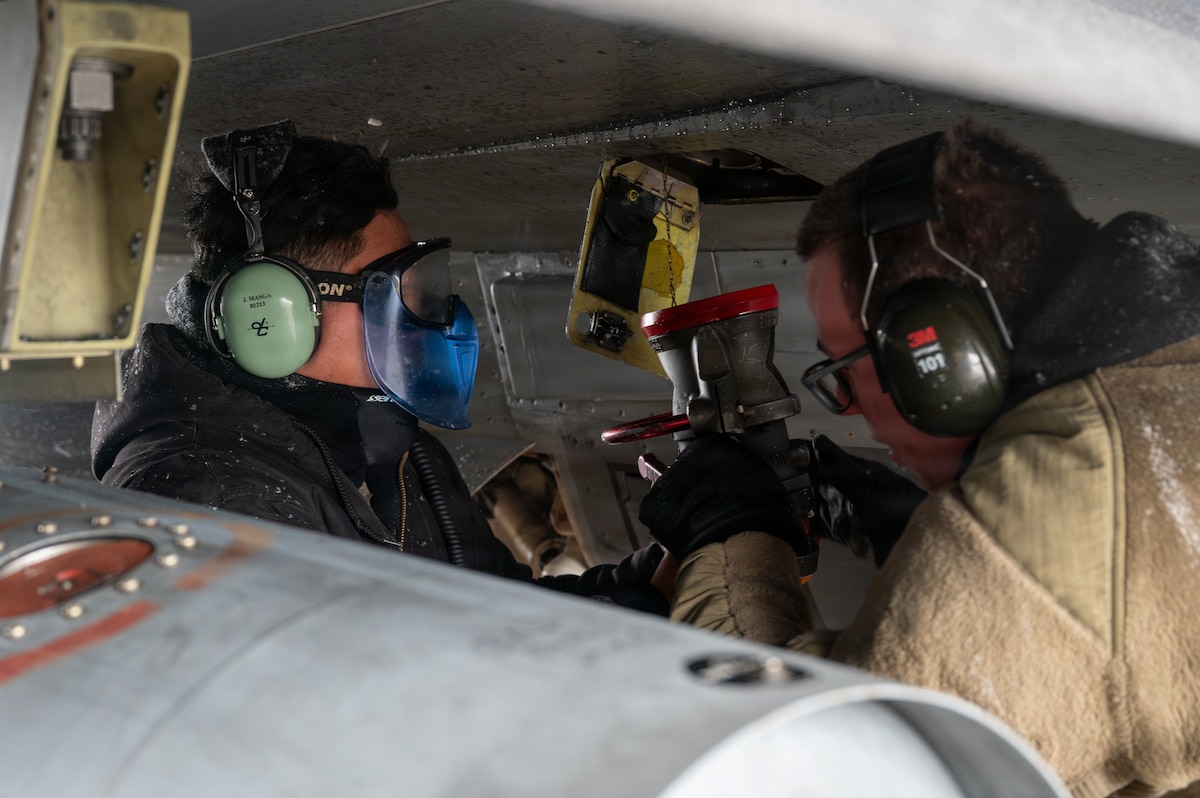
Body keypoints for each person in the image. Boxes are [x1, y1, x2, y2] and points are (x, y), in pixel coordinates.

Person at [637, 119, 1200, 795]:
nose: (845, 406)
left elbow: (805, 774)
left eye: (843, 369)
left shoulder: (1041, 521)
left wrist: (730, 538)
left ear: (939, 358)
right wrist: (928, 539)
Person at [91, 119, 666, 614]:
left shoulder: (381, 444)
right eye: (397, 293)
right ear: (271, 316)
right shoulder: (211, 502)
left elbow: (501, 616)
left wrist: (678, 553)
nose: (425, 319)